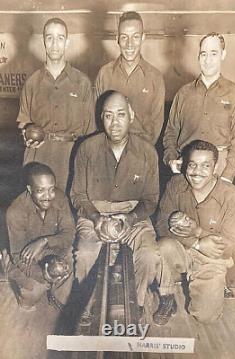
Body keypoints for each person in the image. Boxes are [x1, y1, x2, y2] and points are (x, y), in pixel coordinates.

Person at [71, 91, 160, 321]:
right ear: (102, 118)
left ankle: (137, 302)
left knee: (150, 254)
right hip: (95, 212)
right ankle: (85, 306)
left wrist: (129, 219)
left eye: (121, 114)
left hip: (133, 214)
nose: (115, 122)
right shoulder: (86, 149)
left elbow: (150, 199)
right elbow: (78, 195)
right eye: (109, 116)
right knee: (84, 254)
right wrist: (96, 218)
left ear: (131, 115)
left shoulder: (147, 152)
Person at [153, 140, 235, 325]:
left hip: (212, 258)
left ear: (216, 167)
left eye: (205, 166)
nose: (196, 171)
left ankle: (213, 283)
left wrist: (198, 231)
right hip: (182, 249)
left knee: (205, 316)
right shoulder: (176, 184)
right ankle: (167, 296)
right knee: (162, 246)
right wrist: (197, 242)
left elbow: (231, 245)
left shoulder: (231, 195)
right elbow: (161, 225)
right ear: (185, 164)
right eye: (192, 164)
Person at [17, 17, 95, 191]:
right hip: (38, 156)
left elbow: (90, 132)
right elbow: (23, 124)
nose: (54, 44)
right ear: (43, 41)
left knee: (69, 211)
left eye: (60, 38)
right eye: (49, 37)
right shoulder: (32, 83)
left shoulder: (82, 82)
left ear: (67, 42)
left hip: (71, 157)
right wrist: (25, 135)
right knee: (37, 212)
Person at [163, 32, 235, 183]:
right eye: (203, 54)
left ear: (223, 54)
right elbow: (170, 133)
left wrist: (227, 176)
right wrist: (171, 160)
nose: (208, 60)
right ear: (198, 57)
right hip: (187, 168)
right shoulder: (183, 93)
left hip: (219, 170)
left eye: (213, 54)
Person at [6, 163, 75, 310]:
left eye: (51, 189)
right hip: (25, 257)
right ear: (30, 189)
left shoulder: (61, 198)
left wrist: (44, 241)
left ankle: (57, 293)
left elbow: (69, 234)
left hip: (53, 249)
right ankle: (7, 267)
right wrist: (44, 275)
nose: (48, 196)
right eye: (40, 191)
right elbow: (18, 255)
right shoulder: (15, 211)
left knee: (76, 259)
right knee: (31, 295)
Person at [95, 11, 165, 145]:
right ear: (117, 38)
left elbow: (156, 125)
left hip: (142, 150)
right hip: (108, 149)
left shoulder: (155, 77)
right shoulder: (104, 74)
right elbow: (97, 120)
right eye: (124, 37)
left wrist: (141, 153)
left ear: (143, 38)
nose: (129, 44)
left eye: (135, 37)